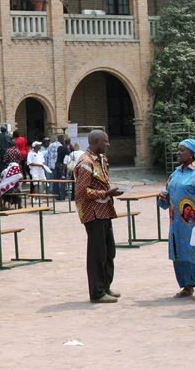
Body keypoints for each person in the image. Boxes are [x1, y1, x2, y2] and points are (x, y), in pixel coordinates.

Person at [75, 130, 125, 303]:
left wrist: (109, 193)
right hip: (93, 213)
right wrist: (105, 192)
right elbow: (81, 191)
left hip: (105, 210)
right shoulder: (85, 162)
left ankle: (105, 286)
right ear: (96, 141)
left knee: (109, 251)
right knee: (97, 254)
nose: (108, 144)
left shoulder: (101, 160)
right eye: (106, 141)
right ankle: (97, 292)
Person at [158, 139, 195, 300]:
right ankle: (187, 286)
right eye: (178, 150)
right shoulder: (175, 173)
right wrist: (162, 197)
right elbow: (166, 201)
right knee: (180, 254)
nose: (178, 153)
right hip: (177, 224)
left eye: (182, 150)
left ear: (192, 154)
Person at [55, 136, 71, 201]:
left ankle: (57, 196)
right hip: (62, 166)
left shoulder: (59, 147)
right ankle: (62, 197)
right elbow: (66, 160)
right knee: (63, 182)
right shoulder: (67, 150)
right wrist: (64, 170)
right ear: (69, 143)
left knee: (56, 181)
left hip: (57, 164)